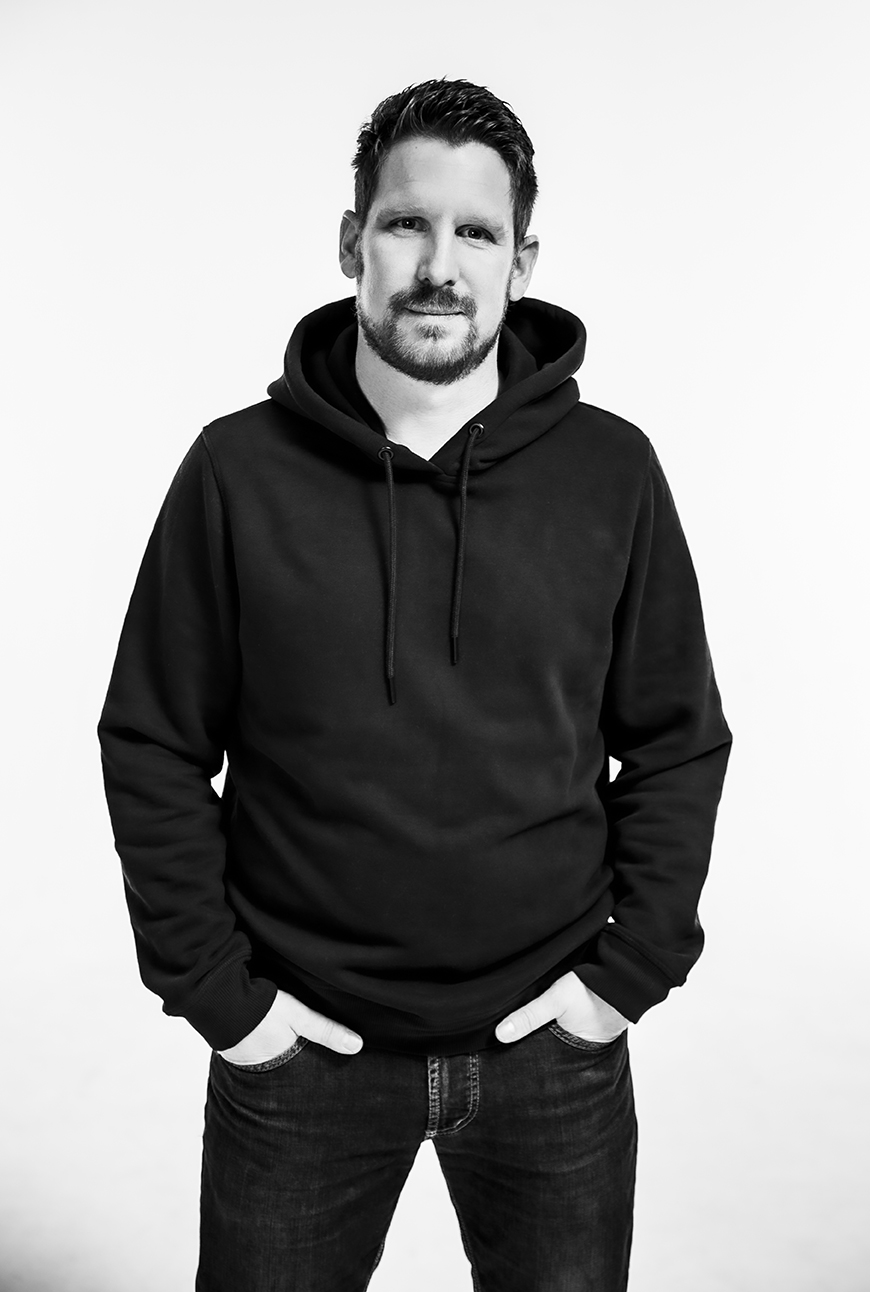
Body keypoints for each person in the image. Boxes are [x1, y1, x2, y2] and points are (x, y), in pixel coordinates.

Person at [98, 78, 731, 1292]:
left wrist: (622, 980)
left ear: (520, 262)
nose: (439, 266)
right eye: (406, 223)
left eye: (476, 232)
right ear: (353, 242)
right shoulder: (235, 472)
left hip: (552, 1051)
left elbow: (676, 738)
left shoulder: (612, 471)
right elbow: (153, 739)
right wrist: (227, 1004)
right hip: (302, 1059)